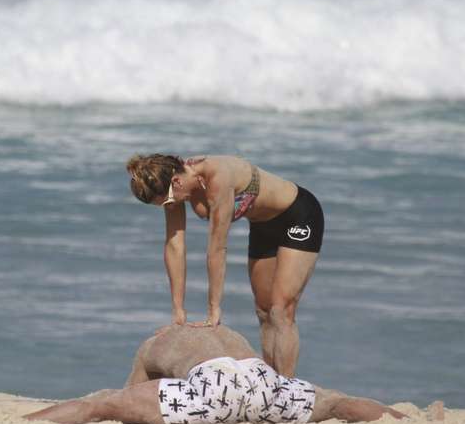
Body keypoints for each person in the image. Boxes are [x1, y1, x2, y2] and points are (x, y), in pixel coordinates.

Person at [125, 154, 324, 376]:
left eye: (169, 201)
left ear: (176, 183)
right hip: (262, 227)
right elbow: (175, 245)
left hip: (297, 217)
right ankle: (271, 381)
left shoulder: (217, 177)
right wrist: (178, 313)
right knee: (264, 310)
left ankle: (287, 388)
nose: (170, 207)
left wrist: (213, 311)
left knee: (281, 310)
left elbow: (217, 248)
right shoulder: (174, 185)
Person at [0, 325, 404, 424]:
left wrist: (126, 404)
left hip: (210, 389)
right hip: (262, 379)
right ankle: (403, 422)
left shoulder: (157, 342)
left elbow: (131, 392)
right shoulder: (226, 331)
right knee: (333, 402)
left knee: (101, 402)